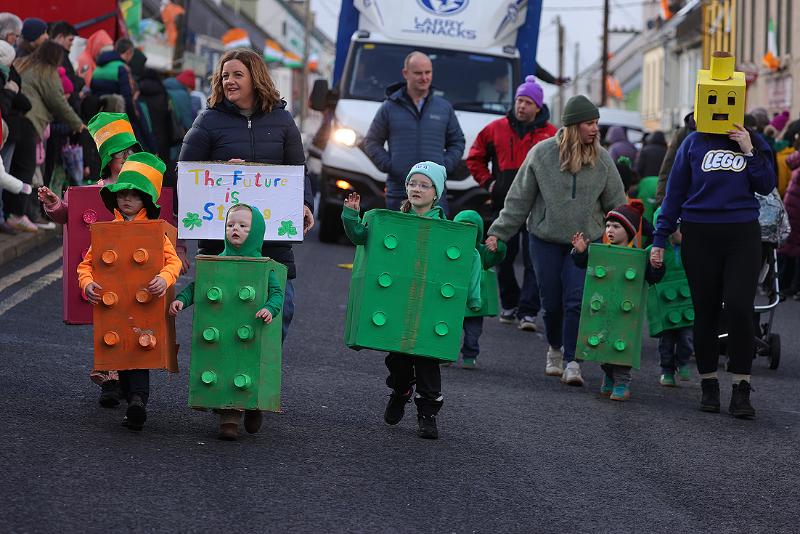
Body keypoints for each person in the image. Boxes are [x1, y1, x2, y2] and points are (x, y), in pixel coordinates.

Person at [485, 95, 627, 386]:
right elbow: (518, 200)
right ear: (574, 126)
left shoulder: (602, 159)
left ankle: (573, 361)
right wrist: (498, 233)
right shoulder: (542, 154)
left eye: (597, 123)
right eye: (589, 123)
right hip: (544, 239)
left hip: (584, 243)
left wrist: (630, 237)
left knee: (576, 301)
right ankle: (554, 349)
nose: (595, 129)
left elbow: (617, 205)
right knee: (551, 303)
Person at [178, 48, 315, 342]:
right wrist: (221, 169)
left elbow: (298, 170)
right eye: (224, 76)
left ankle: (264, 368)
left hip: (273, 240)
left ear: (256, 78)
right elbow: (185, 176)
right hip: (221, 240)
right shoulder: (207, 121)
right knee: (221, 313)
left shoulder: (282, 121)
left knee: (280, 308)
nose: (229, 81)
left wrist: (305, 203)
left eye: (237, 74)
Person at [342, 161, 480, 439]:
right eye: (412, 183)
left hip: (430, 309)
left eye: (424, 185)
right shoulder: (392, 222)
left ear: (436, 193)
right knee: (399, 359)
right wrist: (351, 216)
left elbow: (470, 256)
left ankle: (427, 415)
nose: (416, 189)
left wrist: (473, 298)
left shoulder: (448, 230)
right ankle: (401, 390)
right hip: (400, 308)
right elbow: (362, 237)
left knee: (427, 360)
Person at [651, 110, 775, 418]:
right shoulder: (692, 143)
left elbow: (766, 185)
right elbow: (674, 193)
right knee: (705, 309)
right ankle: (709, 384)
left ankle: (741, 388)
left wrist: (748, 150)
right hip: (699, 234)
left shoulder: (753, 140)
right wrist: (660, 238)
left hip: (742, 233)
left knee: (739, 307)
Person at [77, 152, 181, 430]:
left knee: (140, 352)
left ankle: (137, 402)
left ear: (145, 200)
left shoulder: (154, 231)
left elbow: (173, 261)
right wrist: (87, 283)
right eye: (122, 194)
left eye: (134, 195)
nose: (126, 199)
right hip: (114, 306)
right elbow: (86, 265)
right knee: (119, 351)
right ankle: (125, 395)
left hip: (144, 303)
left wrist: (164, 278)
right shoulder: (106, 232)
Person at [170, 204, 284, 440]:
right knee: (222, 365)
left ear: (255, 231)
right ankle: (228, 418)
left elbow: (276, 293)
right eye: (230, 224)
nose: (235, 229)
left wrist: (269, 308)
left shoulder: (263, 265)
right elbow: (198, 286)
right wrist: (182, 299)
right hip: (221, 329)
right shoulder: (216, 262)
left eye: (243, 226)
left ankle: (253, 407)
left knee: (245, 368)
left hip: (249, 328)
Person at [466, 75, 556, 330]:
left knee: (533, 259)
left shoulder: (551, 134)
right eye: (519, 100)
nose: (521, 106)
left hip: (538, 206)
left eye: (528, 102)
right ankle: (509, 303)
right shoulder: (495, 128)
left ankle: (528, 311)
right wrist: (490, 183)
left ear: (538, 107)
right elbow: (474, 157)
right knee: (501, 255)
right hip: (504, 204)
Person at [571, 202, 664, 401]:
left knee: (622, 343)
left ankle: (622, 382)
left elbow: (652, 277)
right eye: (607, 226)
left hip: (626, 311)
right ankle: (608, 374)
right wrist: (580, 252)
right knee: (602, 341)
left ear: (629, 231)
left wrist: (656, 266)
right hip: (603, 308)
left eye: (616, 226)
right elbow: (582, 264)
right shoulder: (600, 251)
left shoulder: (640, 256)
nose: (610, 230)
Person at [362, 51, 465, 214]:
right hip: (399, 192)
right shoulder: (389, 107)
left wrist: (443, 166)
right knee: (399, 231)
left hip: (434, 194)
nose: (424, 78)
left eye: (428, 72)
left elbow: (457, 142)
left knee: (433, 232)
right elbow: (371, 142)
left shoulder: (444, 107)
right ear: (406, 73)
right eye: (418, 73)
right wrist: (391, 165)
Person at [8, 41, 84, 230]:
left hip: (12, 117)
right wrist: (77, 124)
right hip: (30, 121)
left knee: (10, 168)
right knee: (26, 168)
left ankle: (8, 212)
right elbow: (57, 101)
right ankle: (17, 214)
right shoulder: (47, 71)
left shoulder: (23, 62)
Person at [452, 210, 506, 369]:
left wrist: (498, 247)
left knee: (473, 334)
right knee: (448, 332)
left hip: (475, 305)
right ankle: (445, 355)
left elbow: (497, 256)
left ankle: (470, 355)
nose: (467, 232)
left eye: (472, 229)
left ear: (479, 233)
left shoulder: (482, 252)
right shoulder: (451, 248)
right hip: (453, 301)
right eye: (462, 228)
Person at [656, 111, 696, 204]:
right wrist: (661, 200)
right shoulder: (683, 133)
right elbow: (668, 167)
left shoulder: (728, 133)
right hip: (686, 199)